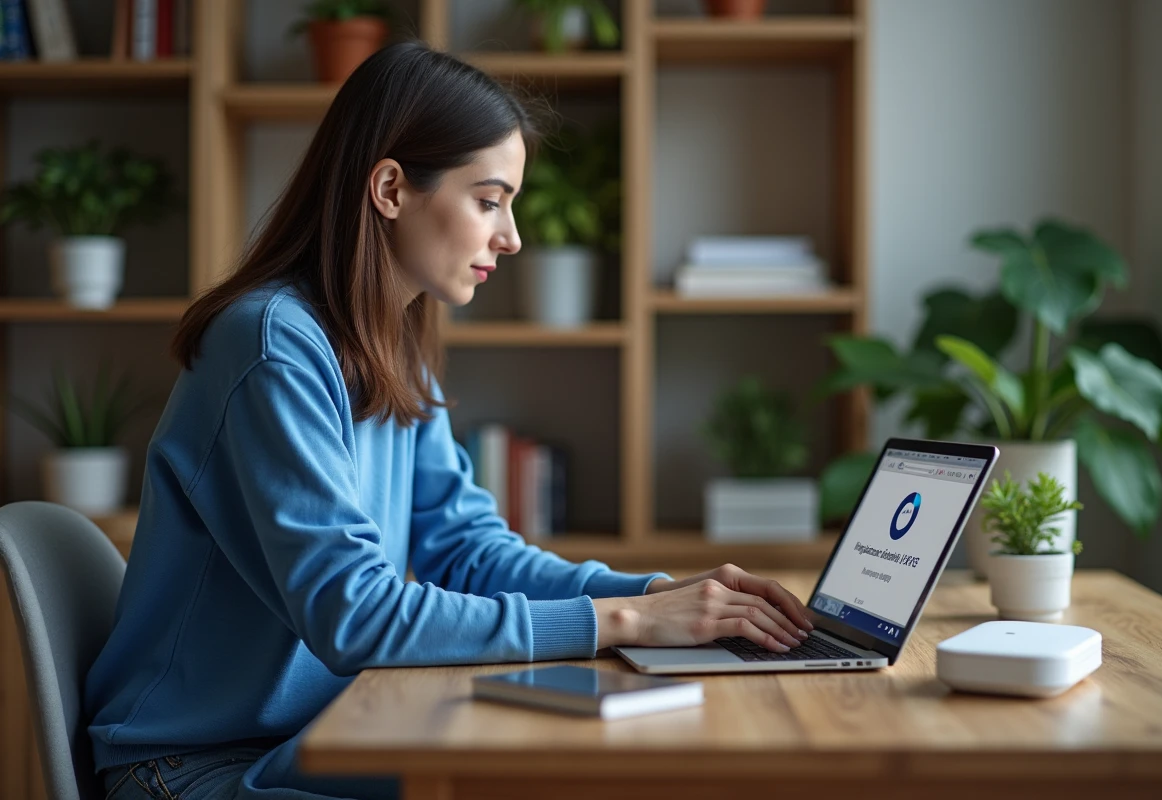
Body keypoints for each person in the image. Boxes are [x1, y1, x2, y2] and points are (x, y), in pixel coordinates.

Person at [84, 41, 815, 800]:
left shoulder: (388, 344)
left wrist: (663, 591)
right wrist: (627, 620)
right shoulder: (271, 346)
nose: (512, 237)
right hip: (191, 769)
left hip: (323, 732)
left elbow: (466, 552)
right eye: (490, 200)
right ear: (392, 188)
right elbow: (354, 614)